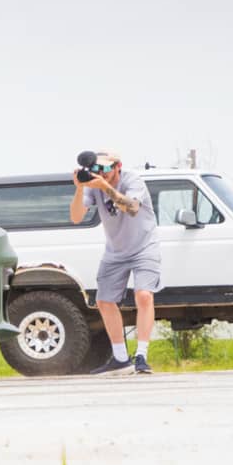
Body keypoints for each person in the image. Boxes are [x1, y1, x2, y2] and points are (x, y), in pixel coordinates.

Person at [69, 150, 159, 374]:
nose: (101, 173)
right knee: (104, 301)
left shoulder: (132, 180)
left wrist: (105, 188)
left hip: (144, 246)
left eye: (105, 168)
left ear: (117, 166)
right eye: (96, 169)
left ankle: (142, 355)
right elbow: (76, 217)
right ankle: (120, 358)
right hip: (115, 251)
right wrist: (80, 189)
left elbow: (132, 208)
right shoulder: (94, 184)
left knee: (144, 295)